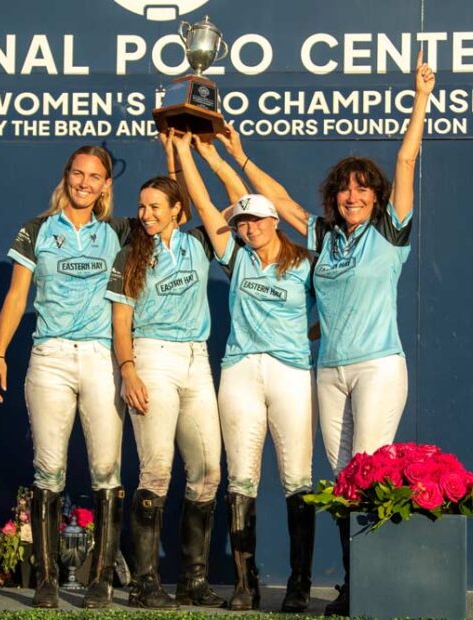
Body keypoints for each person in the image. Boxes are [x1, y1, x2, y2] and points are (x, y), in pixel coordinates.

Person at [217, 50, 436, 615]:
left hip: (378, 366)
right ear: (335, 196)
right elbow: (282, 203)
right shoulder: (324, 235)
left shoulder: (390, 231)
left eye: (363, 189)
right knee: (342, 482)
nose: (353, 196)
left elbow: (407, 162)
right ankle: (352, 586)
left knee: (368, 468)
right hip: (329, 370)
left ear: (377, 196)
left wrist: (420, 99)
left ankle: (371, 585)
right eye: (345, 189)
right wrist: (241, 158)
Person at [172, 130, 317, 612]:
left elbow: (332, 316)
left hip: (292, 373)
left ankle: (298, 584)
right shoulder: (235, 257)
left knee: (298, 477)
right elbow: (203, 203)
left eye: (256, 219)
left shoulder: (306, 264)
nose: (248, 227)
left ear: (274, 221)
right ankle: (245, 583)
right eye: (242, 222)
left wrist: (304, 338)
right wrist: (189, 153)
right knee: (242, 480)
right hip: (239, 373)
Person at [0, 145, 130, 609]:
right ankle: (46, 580)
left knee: (107, 470)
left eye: (94, 176)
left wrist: (178, 150)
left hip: (101, 358)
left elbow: (175, 204)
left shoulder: (119, 231)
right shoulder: (37, 229)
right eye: (77, 173)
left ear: (107, 185)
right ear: (66, 176)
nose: (84, 183)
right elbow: (15, 296)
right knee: (49, 470)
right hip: (49, 357)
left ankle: (100, 581)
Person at [105, 175, 224, 610]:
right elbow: (120, 323)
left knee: (208, 472)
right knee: (156, 472)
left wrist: (186, 150)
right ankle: (144, 584)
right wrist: (129, 371)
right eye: (142, 206)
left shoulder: (199, 244)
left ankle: (193, 580)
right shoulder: (131, 252)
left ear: (178, 208)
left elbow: (215, 207)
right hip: (152, 356)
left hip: (197, 359)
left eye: (156, 206)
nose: (146, 214)